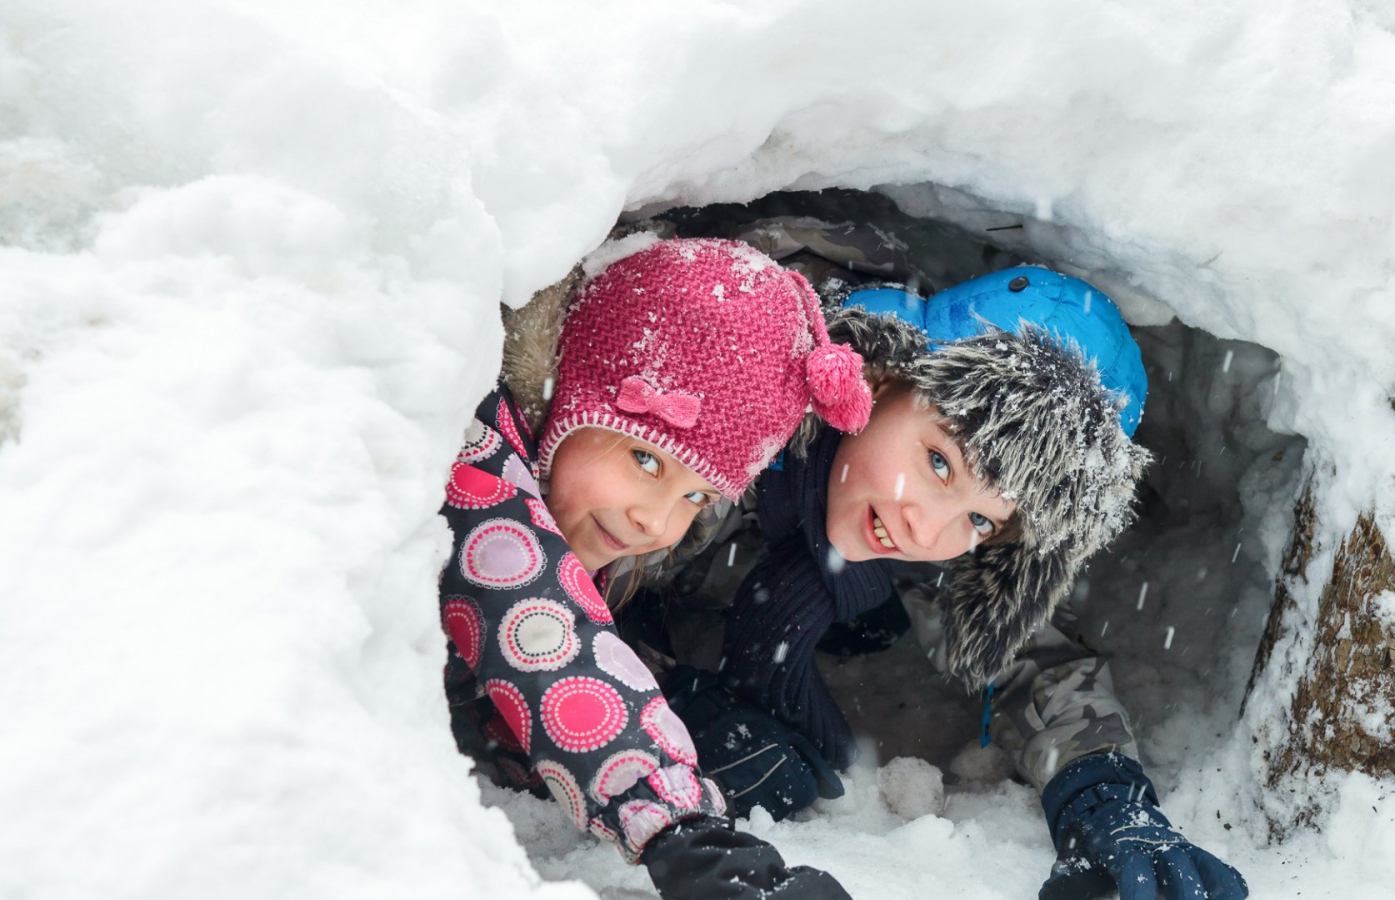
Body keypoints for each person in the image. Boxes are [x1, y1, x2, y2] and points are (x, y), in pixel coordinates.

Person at [644, 219, 1250, 900]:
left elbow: (1033, 666)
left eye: (982, 519)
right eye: (938, 461)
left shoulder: (915, 537)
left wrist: (1105, 799)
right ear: (887, 378)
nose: (926, 526)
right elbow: (558, 590)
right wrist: (661, 704)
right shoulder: (728, 431)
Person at [436, 236, 871, 900]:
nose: (657, 523)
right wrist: (689, 835)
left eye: (696, 497)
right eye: (646, 460)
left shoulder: (581, 506)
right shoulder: (471, 449)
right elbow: (536, 624)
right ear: (571, 399)